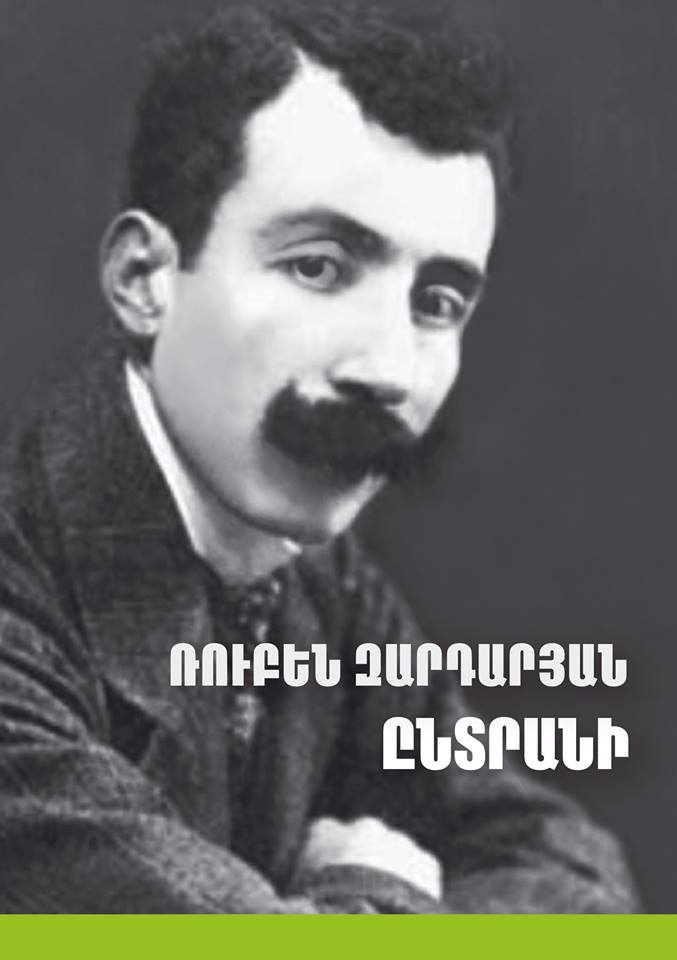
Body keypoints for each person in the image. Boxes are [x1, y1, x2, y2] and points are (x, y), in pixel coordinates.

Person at [0, 0, 637, 913]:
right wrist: (378, 888)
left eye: (436, 303)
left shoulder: (322, 584)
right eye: (317, 267)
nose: (388, 369)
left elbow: (574, 872)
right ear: (144, 279)